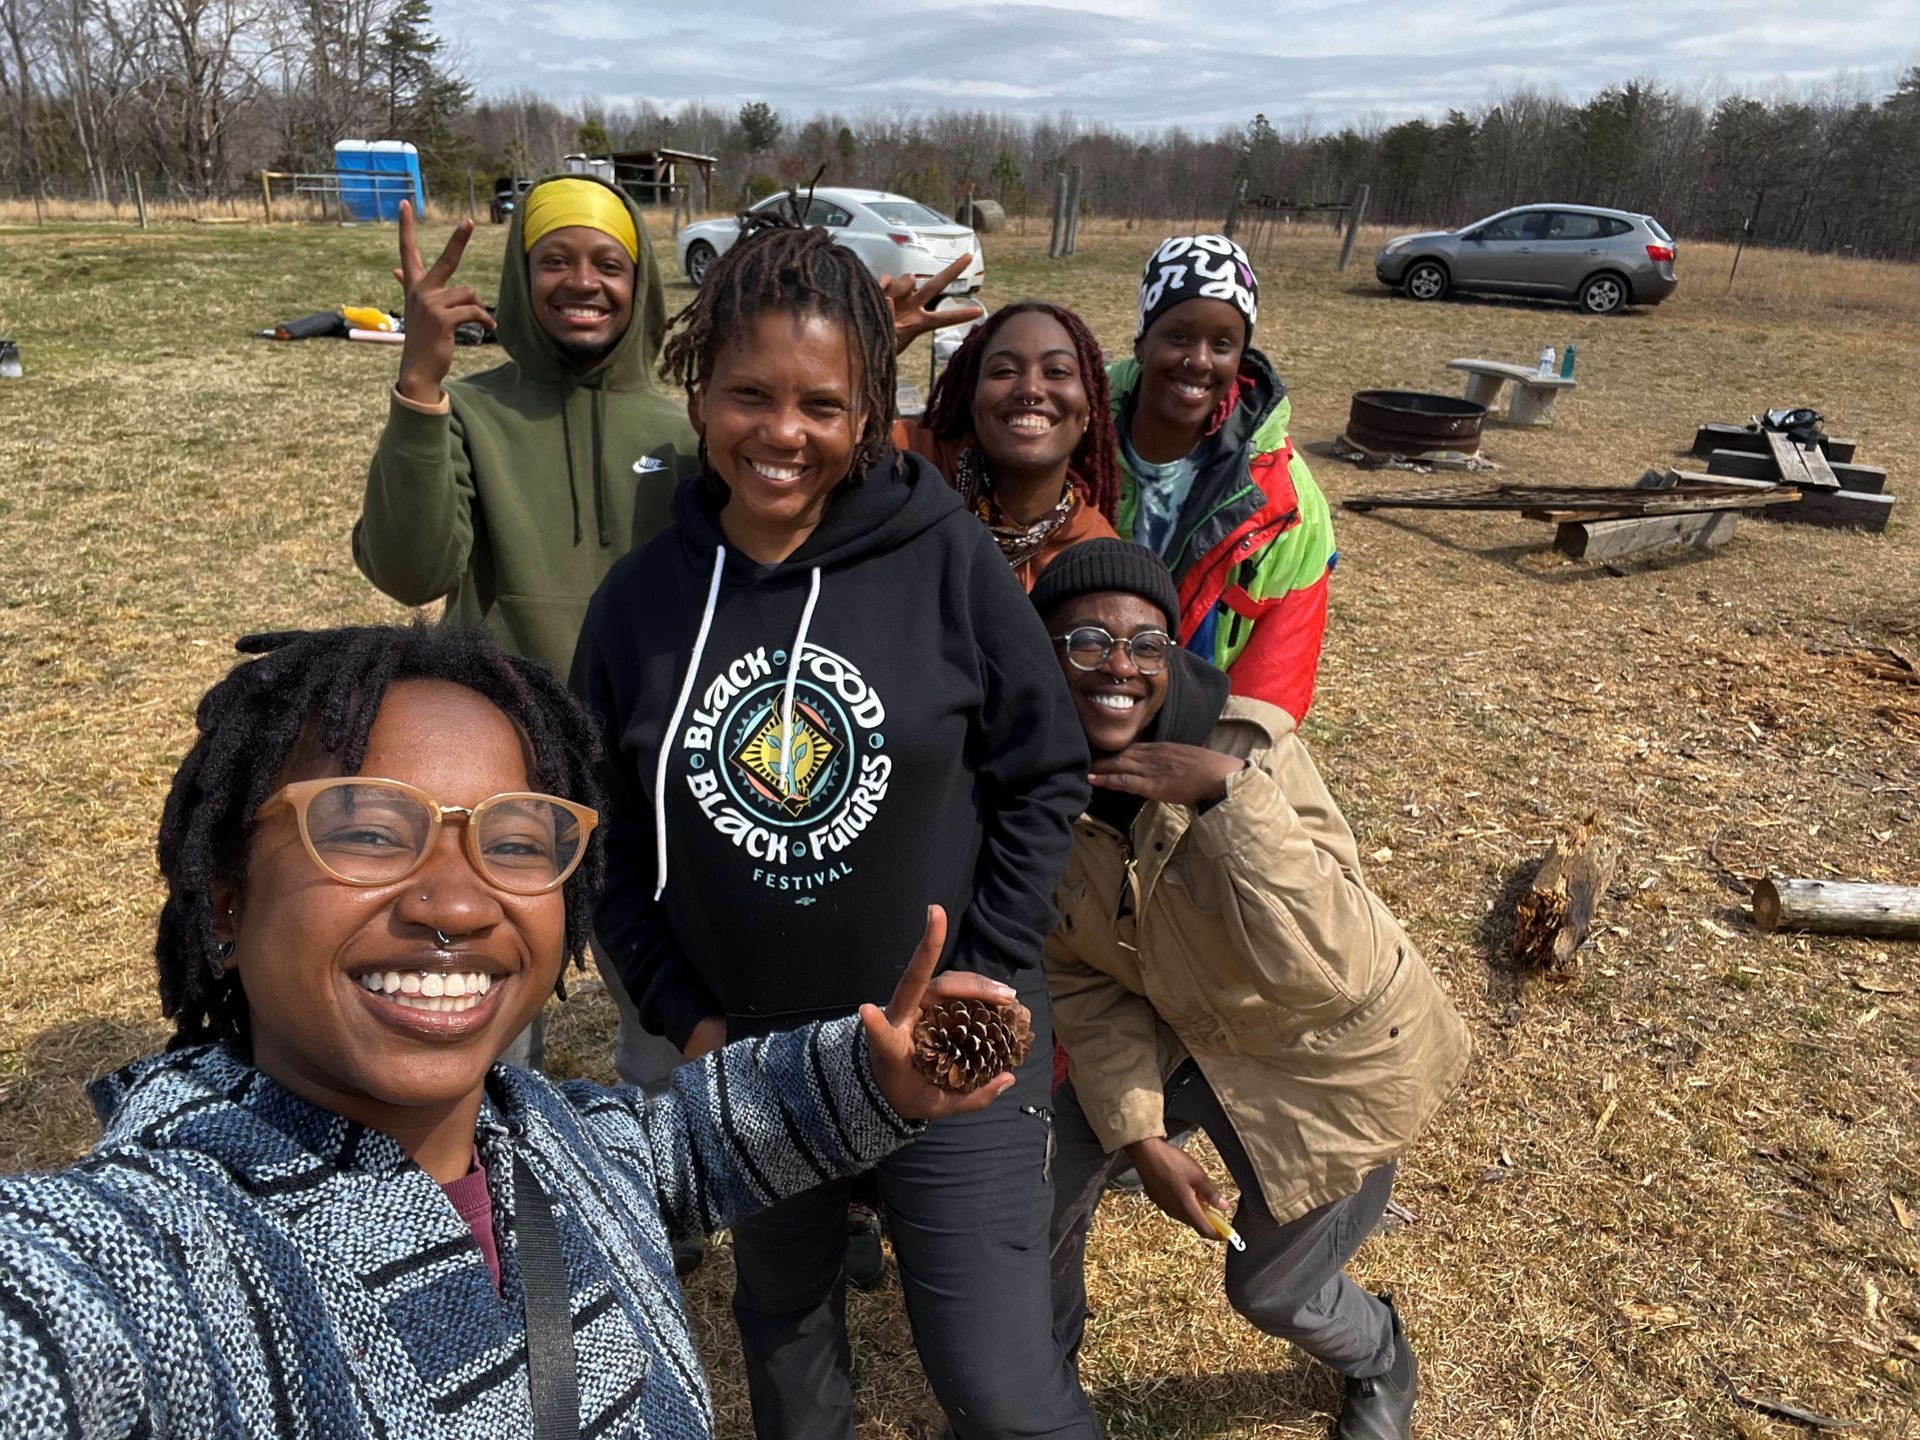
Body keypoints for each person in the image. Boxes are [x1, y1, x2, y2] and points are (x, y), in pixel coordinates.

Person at [0, 622, 1016, 1438]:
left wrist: (871, 1079)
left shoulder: (556, 1143)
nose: (456, 902)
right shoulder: (145, 1265)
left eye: (517, 841)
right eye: (363, 828)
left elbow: (684, 1144)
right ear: (223, 899)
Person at [572, 217, 1099, 1440]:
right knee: (787, 1342)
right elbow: (599, 834)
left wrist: (984, 966)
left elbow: (1044, 766)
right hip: (751, 1056)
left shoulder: (945, 559)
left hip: (952, 1033)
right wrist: (679, 1008)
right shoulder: (641, 601)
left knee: (999, 1386)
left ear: (869, 413)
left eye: (823, 403)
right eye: (750, 394)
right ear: (699, 395)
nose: (784, 434)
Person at [353, 178, 975, 1089]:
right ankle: (480, 1205)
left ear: (641, 283)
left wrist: (863, 362)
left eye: (609, 262)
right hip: (509, 774)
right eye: (553, 260)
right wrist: (419, 384)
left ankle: (667, 1208)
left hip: (659, 779)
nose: (582, 281)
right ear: (520, 278)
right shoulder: (471, 413)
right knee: (478, 1018)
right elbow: (413, 570)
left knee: (667, 1024)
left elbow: (806, 501)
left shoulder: (705, 420)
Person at [1031, 540, 1471, 1440]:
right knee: (1036, 1192)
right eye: (1086, 643)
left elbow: (1328, 970)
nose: (1120, 666)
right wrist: (1143, 1135)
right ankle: (1037, 1384)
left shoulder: (1246, 744)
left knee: (1269, 1288)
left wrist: (1226, 800)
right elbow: (1079, 977)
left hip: (1324, 1062)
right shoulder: (1034, 785)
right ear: (1040, 653)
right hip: (1176, 1030)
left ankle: (1379, 1351)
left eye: (1146, 645)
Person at [1109, 234, 1336, 724]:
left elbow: (1274, 678)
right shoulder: (1076, 432)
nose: (1200, 360)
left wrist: (1219, 766)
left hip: (1195, 734)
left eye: (1223, 344)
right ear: (1141, 344)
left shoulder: (1286, 502)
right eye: (1178, 336)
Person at [899, 299, 1122, 589]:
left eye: (1056, 371)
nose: (1030, 389)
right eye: (1004, 371)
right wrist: (862, 351)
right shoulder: (908, 465)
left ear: (1090, 410)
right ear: (972, 398)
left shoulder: (1097, 559)